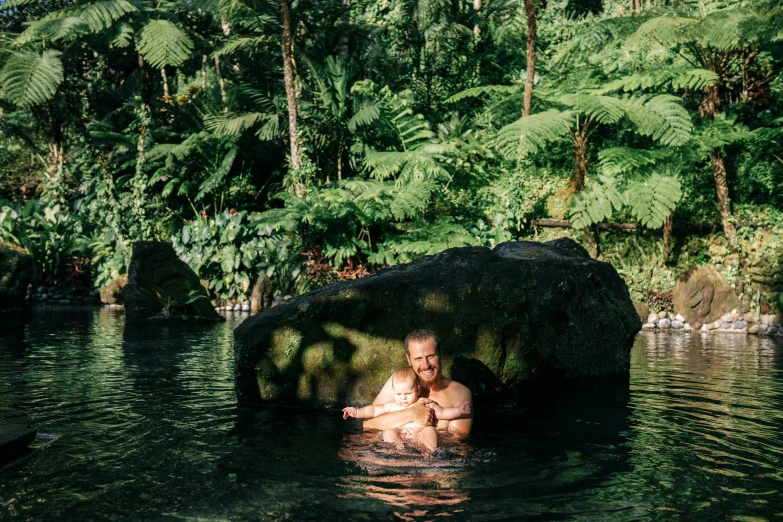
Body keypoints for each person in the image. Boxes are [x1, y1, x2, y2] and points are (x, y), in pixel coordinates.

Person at [362, 329, 473, 439]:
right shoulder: (399, 383)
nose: (425, 365)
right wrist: (411, 414)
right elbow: (368, 425)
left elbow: (458, 445)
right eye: (418, 358)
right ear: (409, 359)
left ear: (440, 355)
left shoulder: (459, 393)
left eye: (430, 356)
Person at [342, 367, 471, 451]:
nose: (403, 398)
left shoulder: (424, 402)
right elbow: (373, 411)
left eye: (407, 394)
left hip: (420, 435)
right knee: (388, 432)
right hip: (401, 436)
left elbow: (442, 412)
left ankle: (431, 453)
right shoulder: (392, 405)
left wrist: (459, 410)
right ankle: (399, 448)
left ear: (417, 390)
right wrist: (356, 412)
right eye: (398, 394)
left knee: (430, 431)